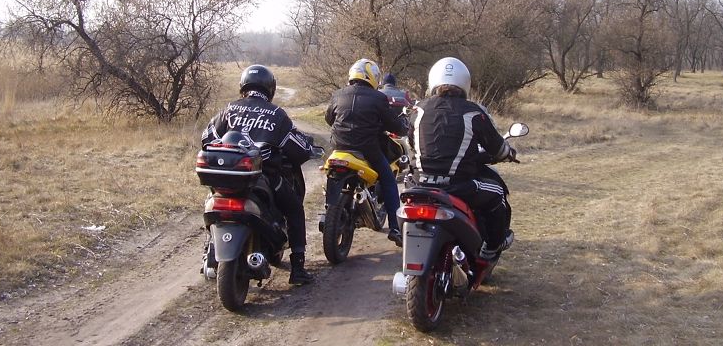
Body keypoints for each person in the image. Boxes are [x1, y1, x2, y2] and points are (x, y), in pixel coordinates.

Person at [201, 64, 315, 285]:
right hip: (264, 178)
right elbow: (298, 149)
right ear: (270, 88)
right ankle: (298, 268)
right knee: (294, 209)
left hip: (226, 178)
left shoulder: (229, 109)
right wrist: (308, 148)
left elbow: (206, 138)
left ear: (243, 86)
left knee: (210, 203)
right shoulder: (276, 114)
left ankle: (209, 250)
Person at [408, 57, 517, 260]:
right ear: (464, 82)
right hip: (457, 186)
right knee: (497, 193)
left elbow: (412, 143)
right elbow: (497, 149)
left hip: (419, 183)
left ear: (433, 80)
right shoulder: (474, 112)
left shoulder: (418, 109)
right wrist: (508, 153)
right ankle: (492, 246)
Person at [325, 58, 408, 247]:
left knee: (330, 175)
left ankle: (328, 207)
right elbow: (394, 125)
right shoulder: (378, 98)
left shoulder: (338, 94)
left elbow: (329, 119)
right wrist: (403, 126)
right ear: (372, 77)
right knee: (388, 180)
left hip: (338, 147)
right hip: (367, 149)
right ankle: (395, 228)